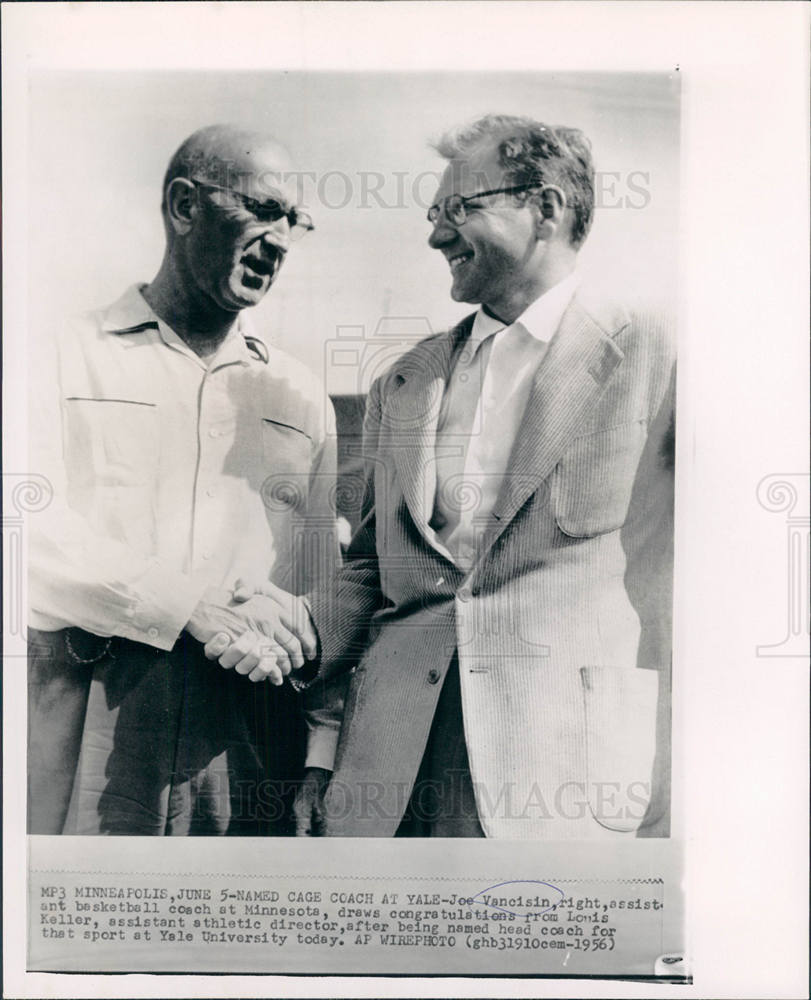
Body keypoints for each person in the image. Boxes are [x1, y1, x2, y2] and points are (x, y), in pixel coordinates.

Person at [224, 113, 676, 838]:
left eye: (459, 209)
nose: (435, 234)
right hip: (390, 770)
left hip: (568, 774)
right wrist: (298, 625)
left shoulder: (658, 350)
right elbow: (374, 569)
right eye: (435, 212)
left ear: (546, 209)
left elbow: (707, 583)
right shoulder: (405, 380)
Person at [27, 124, 339, 836]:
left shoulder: (298, 397)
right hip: (85, 726)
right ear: (183, 205)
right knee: (76, 936)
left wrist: (321, 752)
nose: (282, 239)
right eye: (263, 210)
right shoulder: (59, 355)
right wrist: (184, 603)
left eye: (295, 222)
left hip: (248, 745)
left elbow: (322, 591)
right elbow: (27, 535)